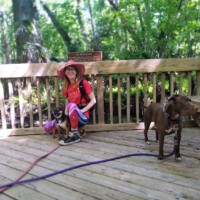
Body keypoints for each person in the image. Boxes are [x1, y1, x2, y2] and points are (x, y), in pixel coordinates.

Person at [57, 60, 96, 145]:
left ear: (76, 72)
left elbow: (93, 100)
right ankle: (70, 132)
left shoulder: (83, 83)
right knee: (48, 126)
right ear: (65, 73)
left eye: (72, 69)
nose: (70, 71)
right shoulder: (66, 86)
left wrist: (82, 110)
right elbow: (67, 99)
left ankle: (74, 136)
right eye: (68, 69)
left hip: (83, 117)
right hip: (72, 116)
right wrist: (66, 112)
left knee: (72, 105)